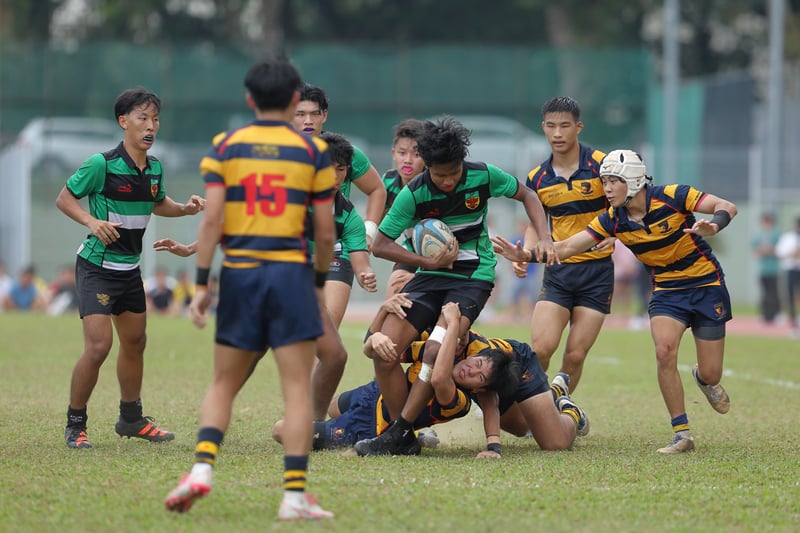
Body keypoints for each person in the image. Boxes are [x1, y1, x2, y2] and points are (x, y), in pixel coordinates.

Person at [164, 56, 336, 521]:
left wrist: (201, 283)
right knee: (297, 389)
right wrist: (318, 282)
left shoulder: (227, 145)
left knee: (223, 381)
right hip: (290, 275)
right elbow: (324, 233)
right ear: (296, 99)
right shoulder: (313, 153)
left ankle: (201, 469)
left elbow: (213, 219)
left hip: (239, 273)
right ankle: (294, 497)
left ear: (249, 99)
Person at [492, 149, 737, 454]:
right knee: (664, 351)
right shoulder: (612, 220)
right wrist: (527, 255)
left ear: (633, 181)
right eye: (604, 181)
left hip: (706, 284)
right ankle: (682, 433)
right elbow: (567, 247)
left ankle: (705, 378)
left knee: (712, 372)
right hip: (666, 291)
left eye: (612, 182)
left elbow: (725, 206)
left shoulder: (674, 195)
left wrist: (714, 224)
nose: (605, 188)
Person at [358, 115, 556, 456]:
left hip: (473, 277)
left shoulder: (483, 175)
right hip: (430, 276)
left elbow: (529, 196)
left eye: (453, 173)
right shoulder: (415, 192)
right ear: (428, 168)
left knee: (436, 351)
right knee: (384, 349)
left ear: (462, 163)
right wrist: (428, 263)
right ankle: (403, 433)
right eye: (440, 175)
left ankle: (399, 433)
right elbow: (380, 245)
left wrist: (547, 238)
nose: (448, 181)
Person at [55, 87, 204, 449]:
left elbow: (157, 202)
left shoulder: (154, 168)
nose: (150, 126)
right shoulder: (101, 164)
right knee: (99, 347)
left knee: (136, 342)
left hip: (129, 270)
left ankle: (131, 419)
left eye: (155, 119)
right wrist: (92, 222)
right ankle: (76, 424)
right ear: (124, 122)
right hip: (96, 267)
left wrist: (183, 208)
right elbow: (64, 198)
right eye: (142, 118)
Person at [514, 96, 611, 399]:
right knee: (541, 348)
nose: (558, 133)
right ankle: (528, 405)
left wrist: (615, 235)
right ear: (543, 127)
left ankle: (555, 411)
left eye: (565, 126)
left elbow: (626, 207)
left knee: (575, 356)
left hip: (597, 273)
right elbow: (535, 222)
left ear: (578, 127)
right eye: (551, 126)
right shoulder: (537, 178)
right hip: (558, 271)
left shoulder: (602, 165)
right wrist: (527, 255)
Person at [292, 83, 387, 250]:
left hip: (335, 253)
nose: (308, 121)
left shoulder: (345, 152)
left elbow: (377, 189)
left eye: (315, 114)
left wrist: (368, 232)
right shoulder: (278, 154)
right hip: (291, 253)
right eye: (300, 114)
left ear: (324, 115)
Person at [381, 118, 427, 296]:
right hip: (412, 249)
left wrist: (423, 275)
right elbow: (378, 221)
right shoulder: (388, 182)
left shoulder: (433, 184)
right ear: (393, 153)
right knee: (394, 288)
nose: (408, 160)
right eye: (402, 153)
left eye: (416, 155)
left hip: (446, 253)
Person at [751, 213, 781, 325]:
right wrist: (764, 251)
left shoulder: (776, 234)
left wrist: (768, 250)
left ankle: (776, 314)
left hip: (773, 269)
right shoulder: (758, 235)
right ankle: (765, 315)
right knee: (764, 293)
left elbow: (778, 250)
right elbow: (755, 251)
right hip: (762, 269)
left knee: (773, 293)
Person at [776, 216, 800, 337]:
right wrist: (793, 253)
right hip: (791, 269)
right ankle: (794, 324)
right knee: (790, 296)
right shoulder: (788, 237)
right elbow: (780, 253)